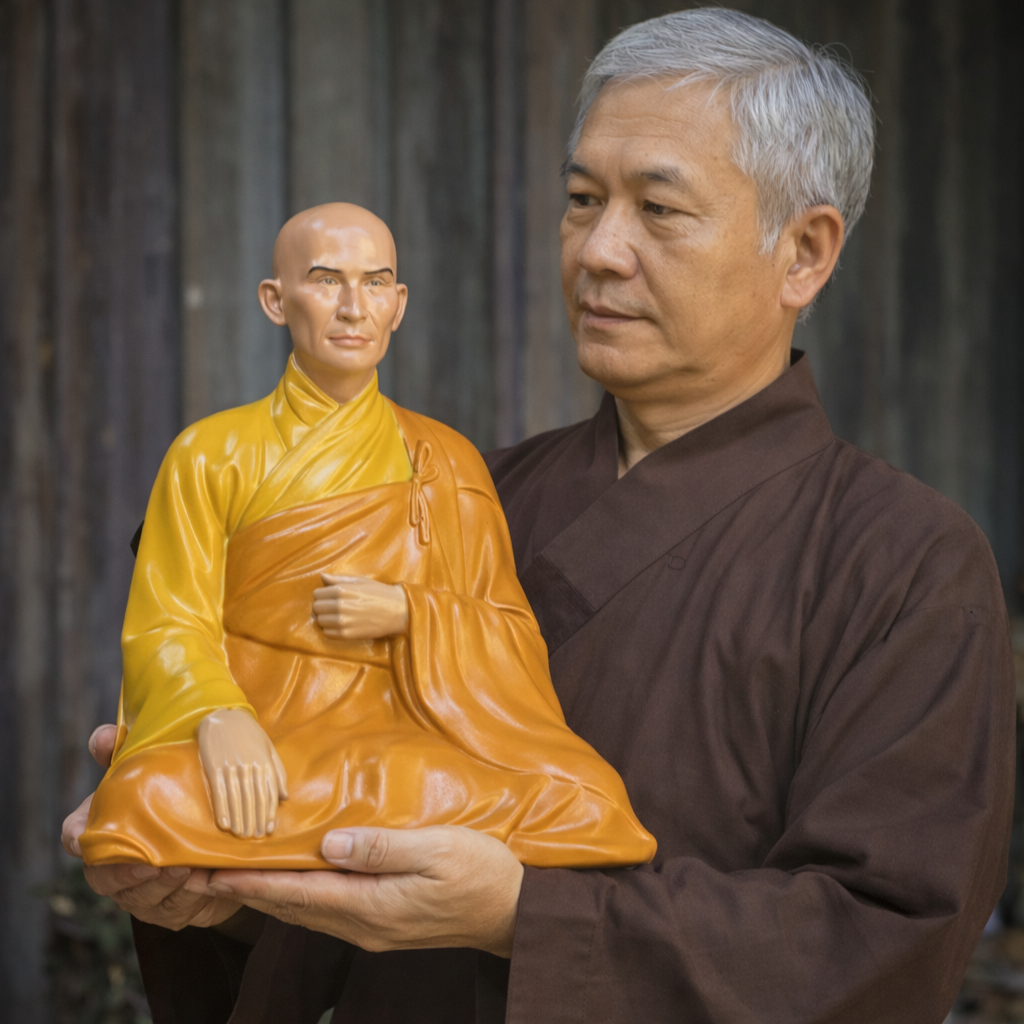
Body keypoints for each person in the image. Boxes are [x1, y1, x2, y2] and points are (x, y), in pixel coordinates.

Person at [63, 9, 1015, 1024]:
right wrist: (212, 887)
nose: (599, 249)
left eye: (657, 208)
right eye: (580, 199)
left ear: (804, 252)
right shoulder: (461, 486)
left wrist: (526, 916)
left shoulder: (901, 561)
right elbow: (323, 824)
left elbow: (881, 941)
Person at [77, 200, 654, 875]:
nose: (354, 307)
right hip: (265, 724)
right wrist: (215, 715)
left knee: (584, 801)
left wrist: (409, 613)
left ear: (399, 304)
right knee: (145, 801)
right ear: (274, 300)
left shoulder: (446, 459)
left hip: (403, 733)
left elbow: (510, 635)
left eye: (375, 283)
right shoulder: (209, 453)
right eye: (326, 281)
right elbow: (168, 624)